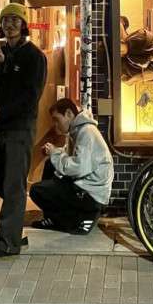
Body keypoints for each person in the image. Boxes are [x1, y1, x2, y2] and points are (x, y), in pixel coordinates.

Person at [0, 3, 47, 261]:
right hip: (2, 128)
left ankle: (7, 243)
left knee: (14, 185)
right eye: (6, 20)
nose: (10, 24)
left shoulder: (34, 56)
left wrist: (3, 111)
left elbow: (31, 96)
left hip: (20, 128)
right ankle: (15, 231)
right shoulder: (3, 51)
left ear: (24, 24)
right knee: (0, 179)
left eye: (15, 20)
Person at [30, 98, 113, 235]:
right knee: (50, 165)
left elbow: (78, 168)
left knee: (36, 191)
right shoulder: (78, 130)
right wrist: (54, 152)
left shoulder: (87, 132)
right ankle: (55, 218)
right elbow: (70, 157)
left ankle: (78, 218)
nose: (55, 125)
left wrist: (55, 153)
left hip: (91, 194)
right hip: (85, 187)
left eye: (56, 120)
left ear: (68, 114)